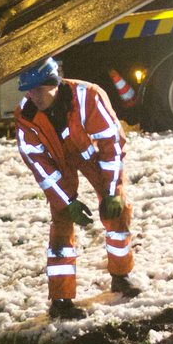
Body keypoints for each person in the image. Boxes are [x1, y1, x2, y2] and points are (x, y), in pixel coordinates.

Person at [14, 57, 140, 320]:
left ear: (55, 83)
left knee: (117, 211)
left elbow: (112, 145)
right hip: (56, 162)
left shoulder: (89, 96)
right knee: (61, 223)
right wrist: (66, 201)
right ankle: (61, 301)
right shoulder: (26, 117)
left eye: (39, 89)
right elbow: (41, 169)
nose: (34, 96)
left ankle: (121, 276)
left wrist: (112, 191)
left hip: (90, 154)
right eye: (30, 90)